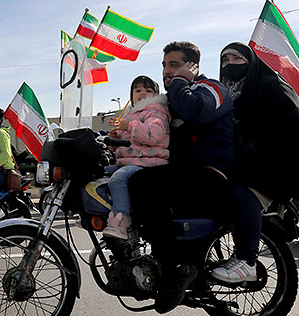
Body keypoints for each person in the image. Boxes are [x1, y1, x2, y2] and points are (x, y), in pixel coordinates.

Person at [128, 41, 234, 314]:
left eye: (173, 65)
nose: (166, 71)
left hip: (212, 172)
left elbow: (195, 110)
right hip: (186, 172)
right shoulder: (175, 97)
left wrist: (179, 81)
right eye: (164, 65)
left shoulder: (211, 88)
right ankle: (190, 279)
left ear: (192, 66)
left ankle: (176, 268)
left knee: (141, 183)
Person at [210, 42, 299, 283]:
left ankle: (246, 260)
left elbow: (289, 129)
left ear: (250, 61)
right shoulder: (229, 93)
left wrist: (253, 148)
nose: (229, 65)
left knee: (242, 192)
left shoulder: (270, 86)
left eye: (236, 59)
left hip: (274, 164)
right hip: (243, 162)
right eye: (224, 61)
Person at [102, 75, 170, 240]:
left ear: (155, 94)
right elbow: (125, 144)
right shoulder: (130, 114)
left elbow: (154, 134)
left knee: (118, 179)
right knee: (100, 173)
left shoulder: (157, 110)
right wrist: (114, 137)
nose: (142, 93)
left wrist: (129, 126)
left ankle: (121, 221)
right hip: (130, 161)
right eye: (137, 90)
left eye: (148, 90)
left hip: (148, 162)